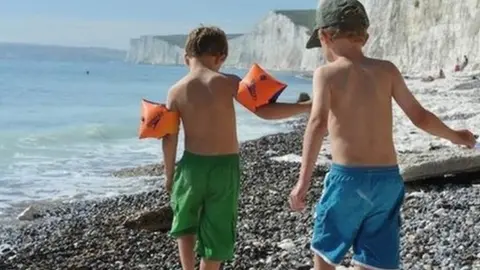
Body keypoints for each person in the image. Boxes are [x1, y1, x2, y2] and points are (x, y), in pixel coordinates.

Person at [290, 1, 477, 270]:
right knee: (374, 259)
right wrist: (454, 135)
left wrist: (303, 182)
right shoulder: (387, 70)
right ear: (365, 35)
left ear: (325, 36)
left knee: (326, 251)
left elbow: (318, 123)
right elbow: (419, 116)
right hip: (388, 181)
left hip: (348, 181)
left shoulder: (326, 74)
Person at [162, 26, 311, 270]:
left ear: (185, 56)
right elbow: (264, 111)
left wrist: (168, 174)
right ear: (221, 57)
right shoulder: (228, 82)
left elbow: (169, 137)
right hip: (224, 167)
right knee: (218, 228)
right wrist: (306, 106)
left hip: (190, 168)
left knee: (185, 221)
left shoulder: (176, 91)